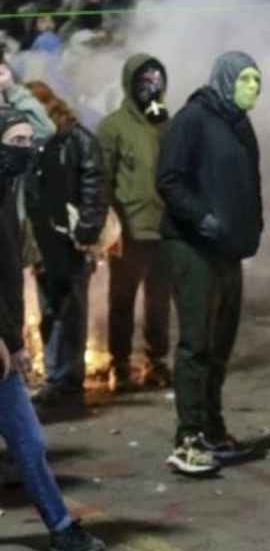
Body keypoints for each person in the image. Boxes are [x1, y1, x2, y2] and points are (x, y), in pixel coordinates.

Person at [0, 107, 106, 551]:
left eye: (29, 142)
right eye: (16, 142)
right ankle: (62, 528)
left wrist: (15, 341)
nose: (26, 151)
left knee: (29, 441)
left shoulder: (8, 194)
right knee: (27, 440)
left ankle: (62, 529)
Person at [156, 52, 263, 475]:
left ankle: (213, 429)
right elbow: (169, 179)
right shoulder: (193, 119)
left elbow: (251, 182)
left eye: (257, 80)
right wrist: (201, 218)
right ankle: (188, 437)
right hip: (192, 246)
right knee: (196, 342)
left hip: (227, 249)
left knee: (221, 343)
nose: (254, 87)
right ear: (225, 80)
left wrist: (251, 230)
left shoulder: (240, 125)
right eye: (246, 79)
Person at [23, 81, 107, 411]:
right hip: (43, 239)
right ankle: (55, 377)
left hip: (71, 240)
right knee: (49, 310)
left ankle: (67, 381)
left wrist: (87, 230)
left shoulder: (77, 140)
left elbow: (95, 187)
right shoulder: (33, 141)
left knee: (70, 310)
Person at [95, 53, 172, 392]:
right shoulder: (113, 128)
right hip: (129, 229)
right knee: (122, 300)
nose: (151, 87)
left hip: (163, 228)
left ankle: (156, 359)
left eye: (157, 80)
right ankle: (120, 361)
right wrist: (109, 227)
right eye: (144, 80)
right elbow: (101, 180)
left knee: (159, 300)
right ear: (130, 83)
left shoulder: (166, 125)